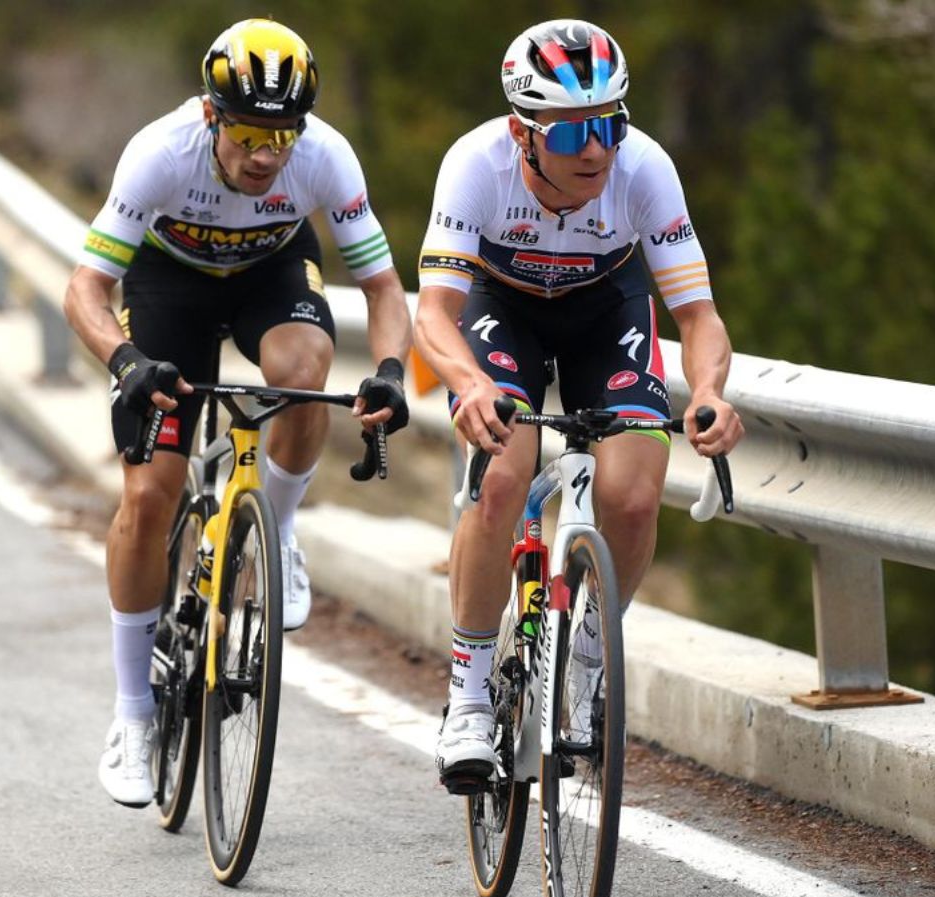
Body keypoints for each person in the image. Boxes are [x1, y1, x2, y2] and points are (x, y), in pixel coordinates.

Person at [64, 18, 412, 808]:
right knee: (150, 494)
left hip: (269, 274)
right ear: (212, 116)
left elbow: (384, 290)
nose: (266, 154)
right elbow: (83, 289)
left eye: (281, 134)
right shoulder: (161, 154)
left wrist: (391, 372)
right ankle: (132, 714)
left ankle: (279, 529)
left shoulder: (322, 156)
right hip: (168, 283)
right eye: (249, 133)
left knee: (307, 369)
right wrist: (127, 363)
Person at [414, 19, 744, 792]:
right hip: (506, 312)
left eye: (609, 125)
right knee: (502, 474)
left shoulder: (645, 170)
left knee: (633, 496)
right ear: (522, 135)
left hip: (607, 312)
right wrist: (469, 384)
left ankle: (589, 662)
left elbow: (698, 317)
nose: (596, 150)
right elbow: (434, 312)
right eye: (570, 137)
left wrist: (707, 394)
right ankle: (465, 698)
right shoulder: (476, 166)